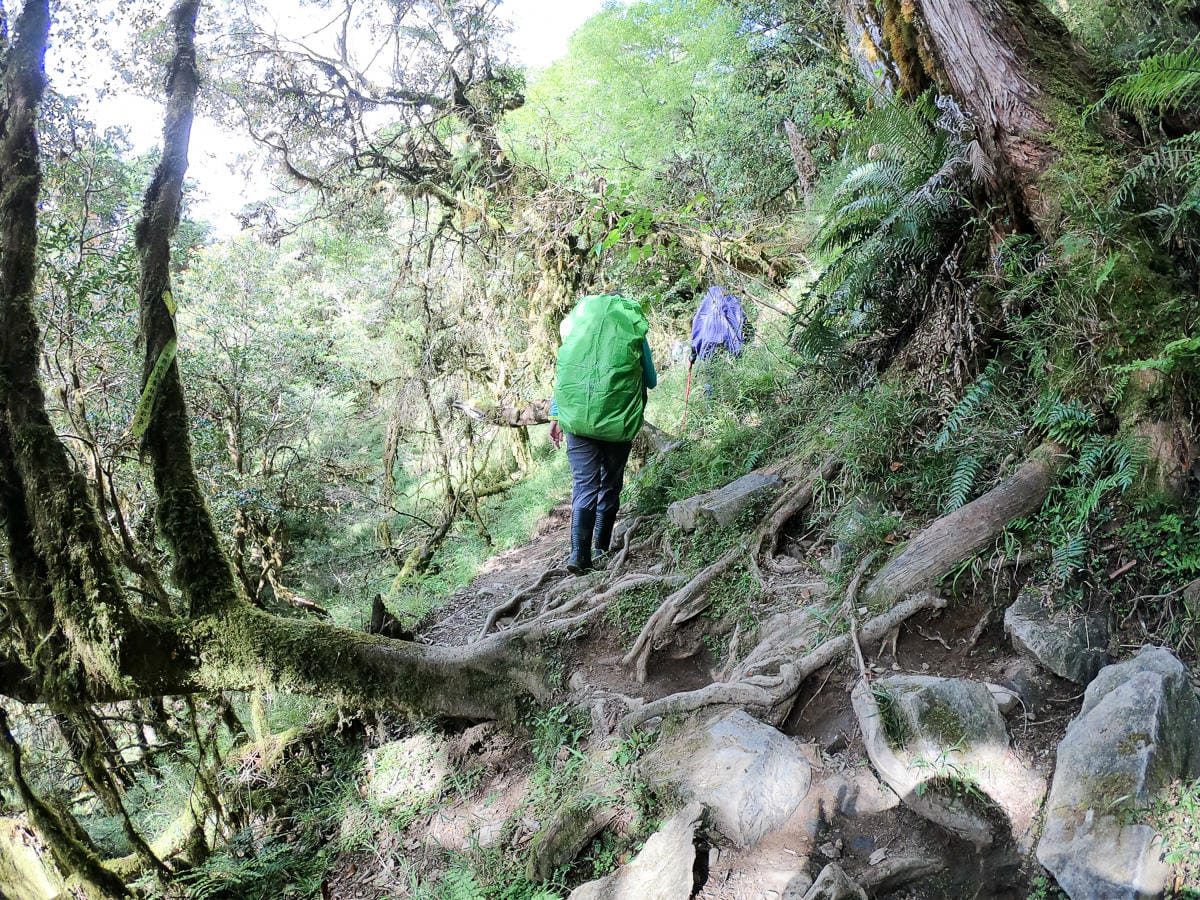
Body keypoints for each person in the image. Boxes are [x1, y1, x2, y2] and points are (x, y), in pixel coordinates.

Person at [548, 293, 657, 574]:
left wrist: (556, 415)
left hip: (578, 421)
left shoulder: (578, 332)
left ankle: (578, 555)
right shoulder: (632, 333)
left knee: (584, 486)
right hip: (617, 423)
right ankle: (600, 548)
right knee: (609, 484)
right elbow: (653, 380)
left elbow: (566, 376)